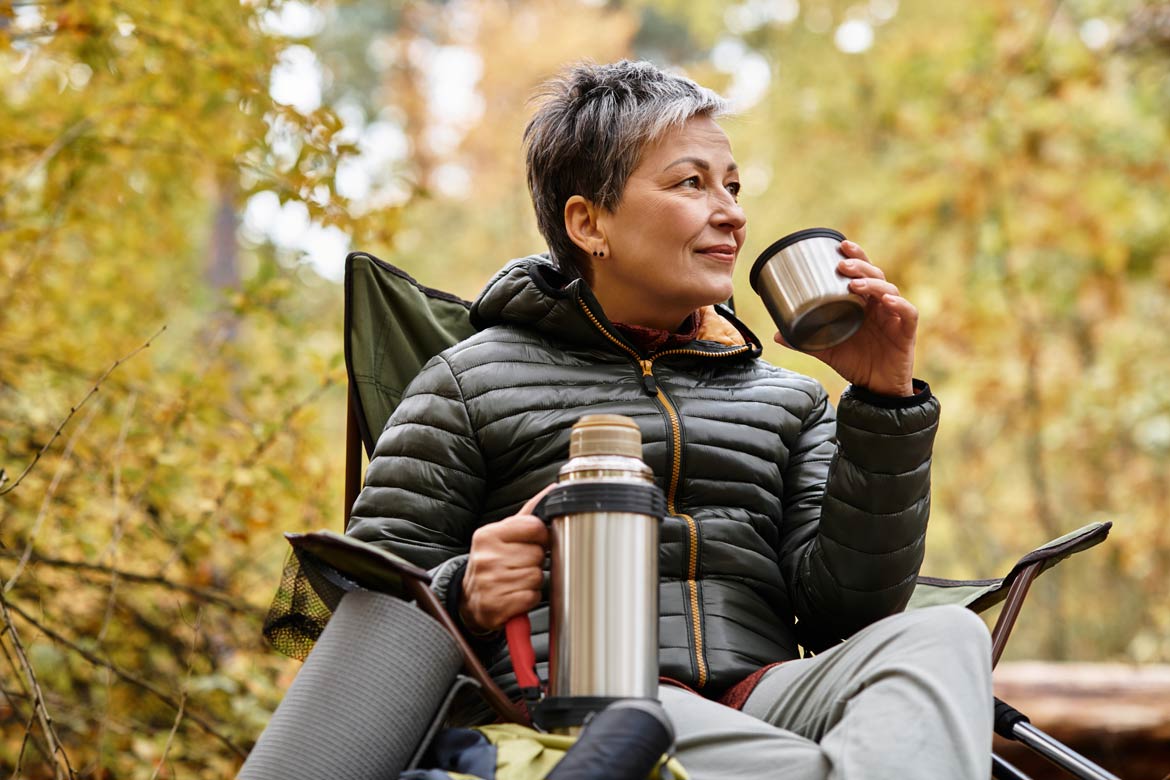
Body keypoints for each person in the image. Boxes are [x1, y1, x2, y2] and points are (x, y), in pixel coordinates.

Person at [347, 60, 992, 779]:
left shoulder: (790, 401)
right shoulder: (470, 381)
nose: (734, 213)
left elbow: (848, 610)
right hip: (589, 706)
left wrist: (884, 403)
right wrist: (462, 589)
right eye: (692, 183)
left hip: (762, 697)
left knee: (945, 635)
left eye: (733, 186)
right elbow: (359, 593)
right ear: (589, 222)